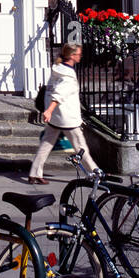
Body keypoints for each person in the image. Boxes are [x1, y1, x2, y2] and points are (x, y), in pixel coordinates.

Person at [28, 42, 99, 183]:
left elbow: (51, 92)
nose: (81, 56)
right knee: (81, 147)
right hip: (67, 118)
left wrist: (50, 112)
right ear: (72, 56)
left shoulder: (58, 69)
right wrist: (48, 111)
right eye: (78, 54)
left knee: (46, 143)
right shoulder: (67, 75)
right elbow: (59, 95)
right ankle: (95, 174)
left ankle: (34, 173)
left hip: (56, 117)